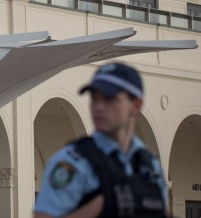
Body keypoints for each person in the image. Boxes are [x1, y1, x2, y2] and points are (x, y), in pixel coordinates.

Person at [34, 62, 169, 218]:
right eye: (95, 99)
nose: (98, 107)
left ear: (136, 105)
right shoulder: (72, 162)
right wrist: (100, 207)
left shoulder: (149, 165)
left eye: (109, 99)